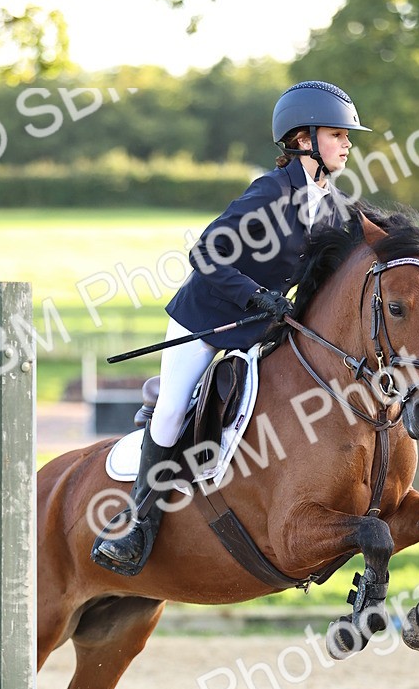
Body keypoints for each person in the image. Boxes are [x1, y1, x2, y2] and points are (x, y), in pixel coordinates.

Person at [92, 80, 371, 576]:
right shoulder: (269, 191)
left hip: (262, 326)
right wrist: (254, 295)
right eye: (337, 133)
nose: (348, 143)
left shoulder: (333, 204)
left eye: (347, 135)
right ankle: (137, 524)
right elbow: (206, 253)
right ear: (303, 139)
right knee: (174, 407)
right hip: (208, 317)